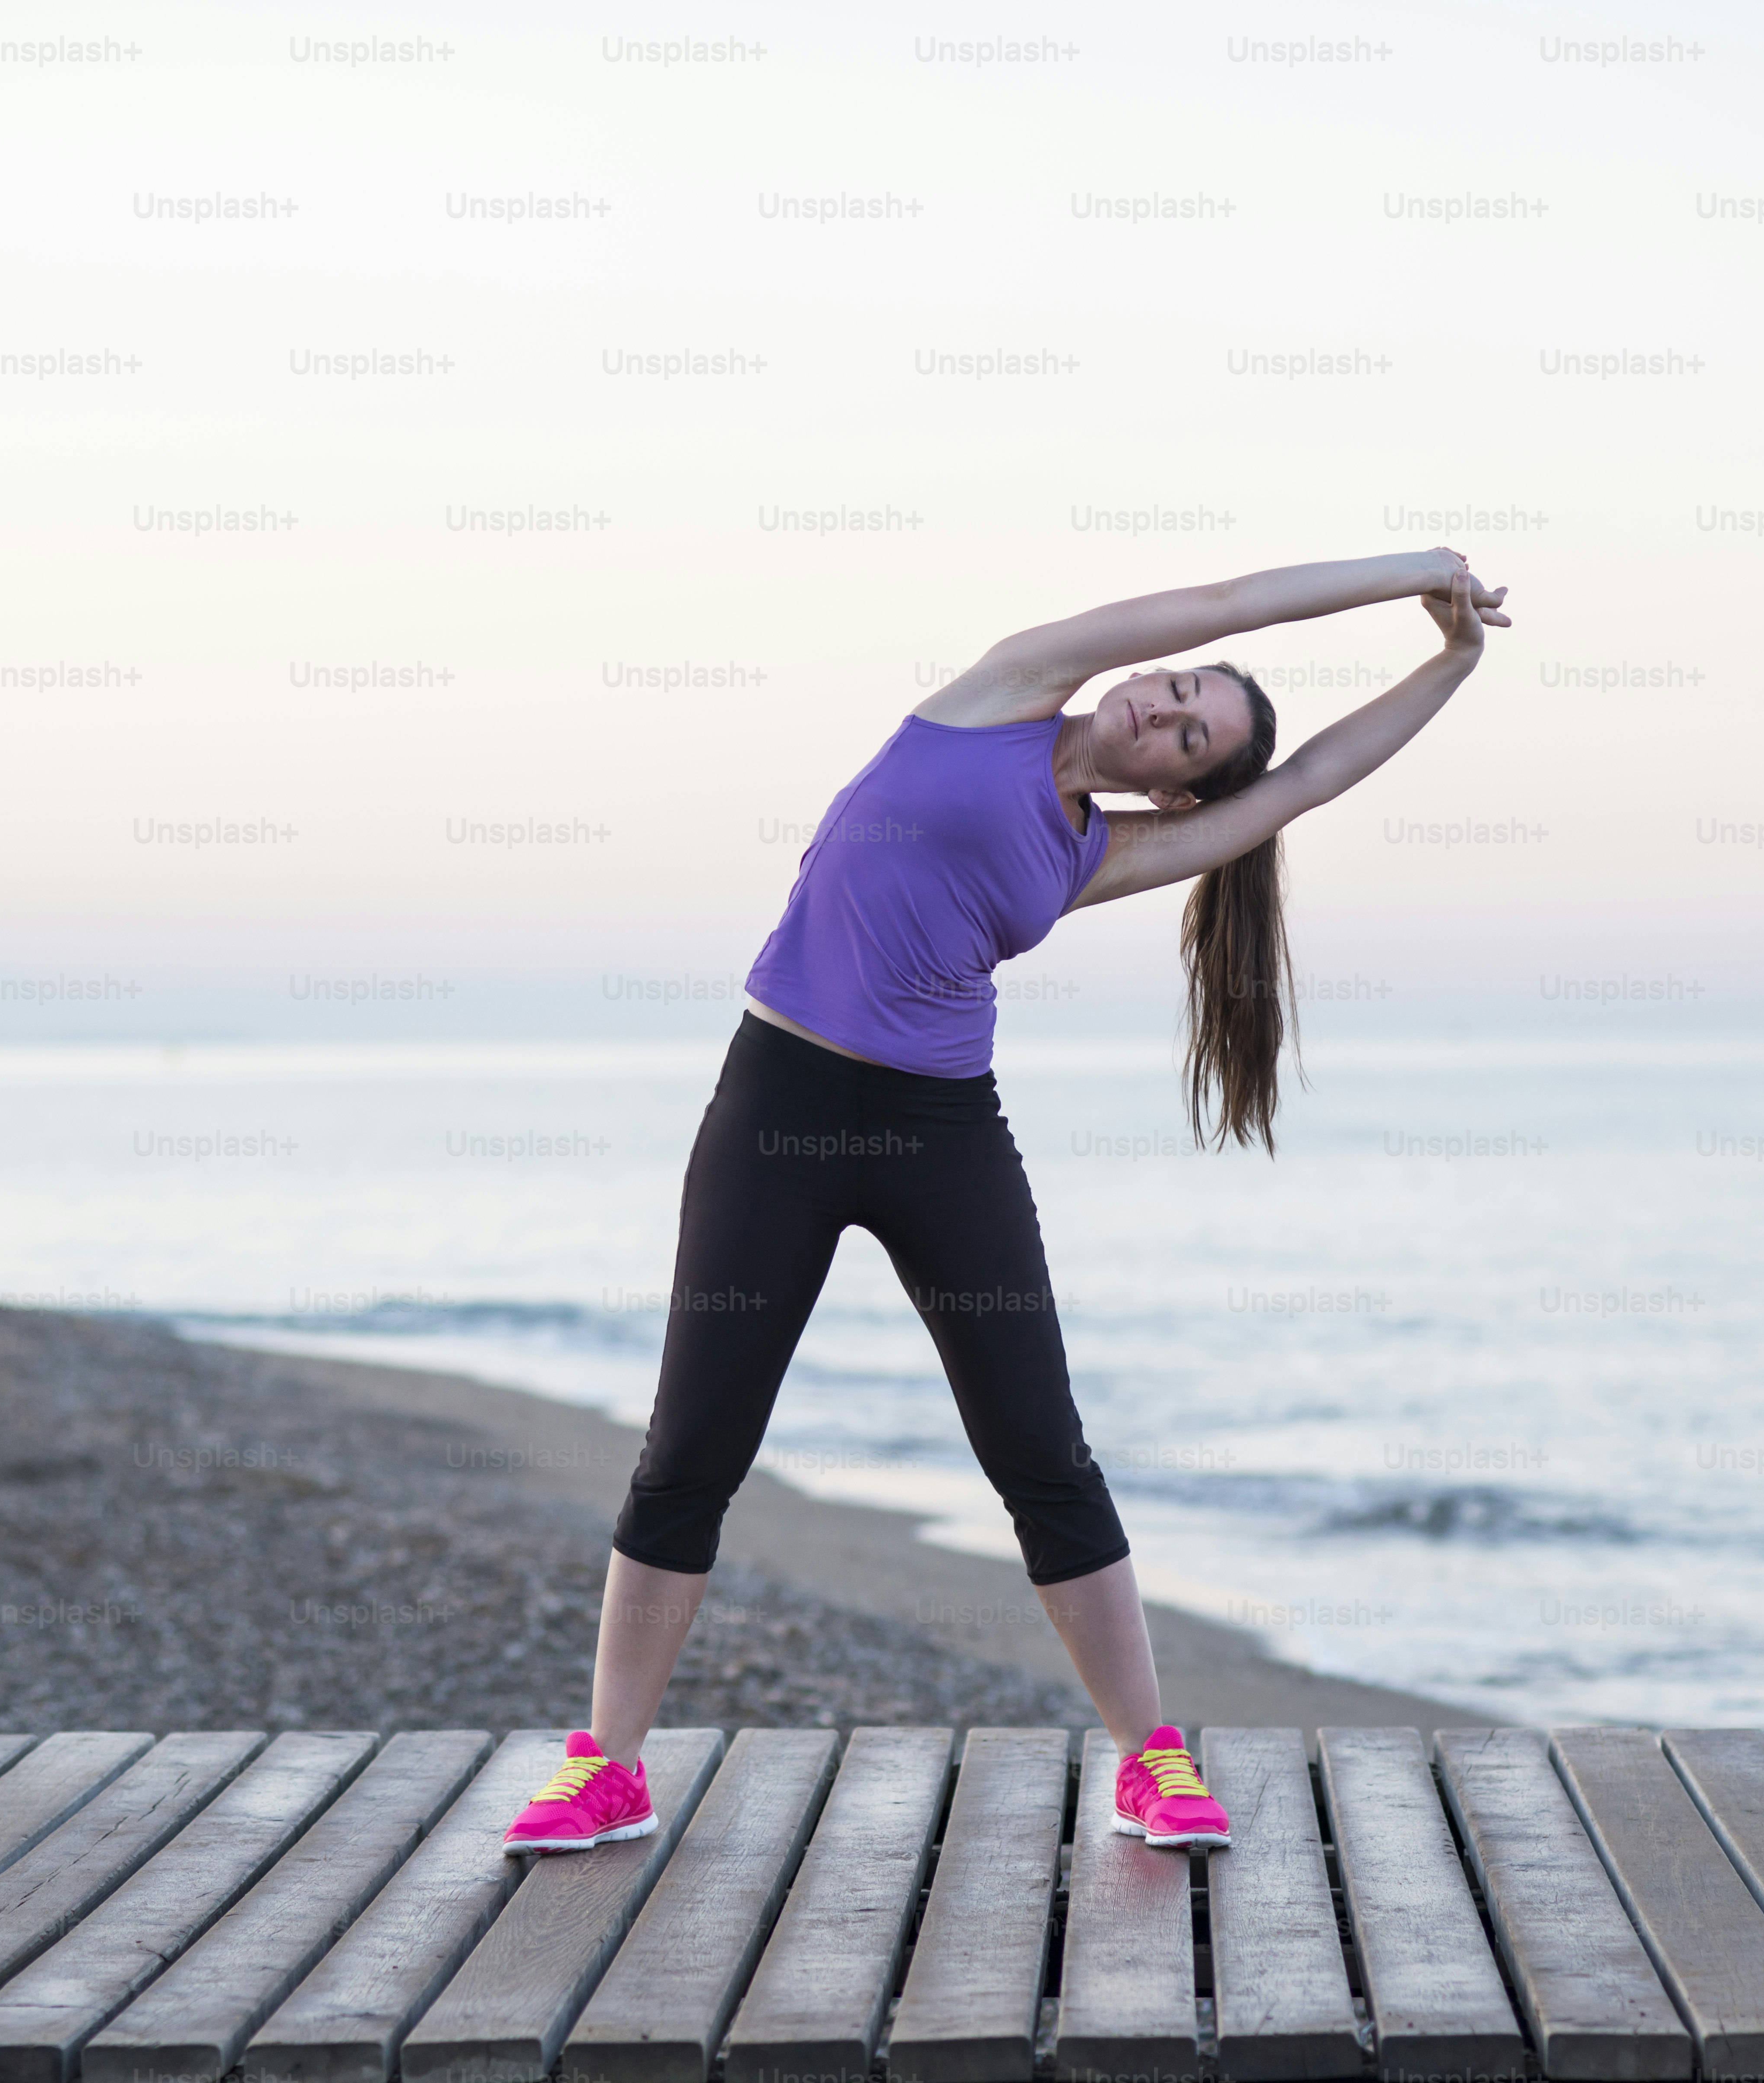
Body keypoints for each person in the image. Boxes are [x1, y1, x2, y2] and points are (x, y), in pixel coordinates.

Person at [503, 548, 1511, 1855]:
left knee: (1040, 1450)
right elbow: (1230, 604)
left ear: (1181, 785)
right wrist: (1417, 573)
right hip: (778, 1114)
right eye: (1180, 687)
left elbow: (1311, 779)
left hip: (941, 1137)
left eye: (1193, 732)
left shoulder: (1104, 853)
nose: (1167, 705)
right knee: (693, 1447)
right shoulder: (1009, 687)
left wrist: (1455, 659)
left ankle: (1152, 1759)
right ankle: (609, 1766)